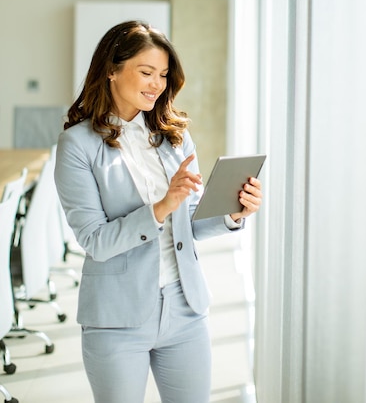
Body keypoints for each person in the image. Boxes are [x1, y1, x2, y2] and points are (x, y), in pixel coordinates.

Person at [54, 20, 263, 403]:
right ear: (112, 71)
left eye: (163, 75)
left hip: (184, 309)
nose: (157, 84)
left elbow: (193, 220)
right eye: (146, 72)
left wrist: (234, 213)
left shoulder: (174, 136)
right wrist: (161, 207)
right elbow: (94, 240)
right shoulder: (77, 145)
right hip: (116, 318)